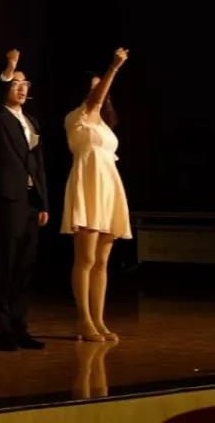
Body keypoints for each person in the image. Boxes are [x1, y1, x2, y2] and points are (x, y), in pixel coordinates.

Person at [0, 49, 49, 351]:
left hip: (30, 201)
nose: (21, 88)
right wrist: (9, 67)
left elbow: (38, 164)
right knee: (3, 265)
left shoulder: (31, 120)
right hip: (6, 199)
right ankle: (2, 331)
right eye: (15, 83)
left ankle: (20, 327)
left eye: (25, 84)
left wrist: (43, 202)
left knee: (24, 266)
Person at [62, 47, 130, 343]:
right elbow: (95, 101)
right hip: (88, 185)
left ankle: (99, 319)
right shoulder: (77, 117)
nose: (99, 93)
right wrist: (113, 68)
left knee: (102, 260)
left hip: (108, 187)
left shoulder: (104, 125)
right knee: (86, 258)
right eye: (94, 88)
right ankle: (84, 319)